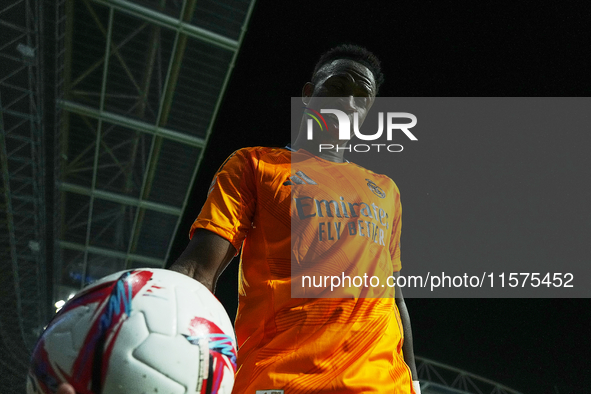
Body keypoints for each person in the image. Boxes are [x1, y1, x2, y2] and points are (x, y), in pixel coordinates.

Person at [56, 44, 420, 394]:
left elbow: (395, 298)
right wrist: (123, 340)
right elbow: (199, 271)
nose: (348, 102)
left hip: (382, 385)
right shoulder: (256, 164)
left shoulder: (385, 190)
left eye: (362, 98)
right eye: (337, 87)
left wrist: (415, 384)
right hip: (279, 379)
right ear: (308, 95)